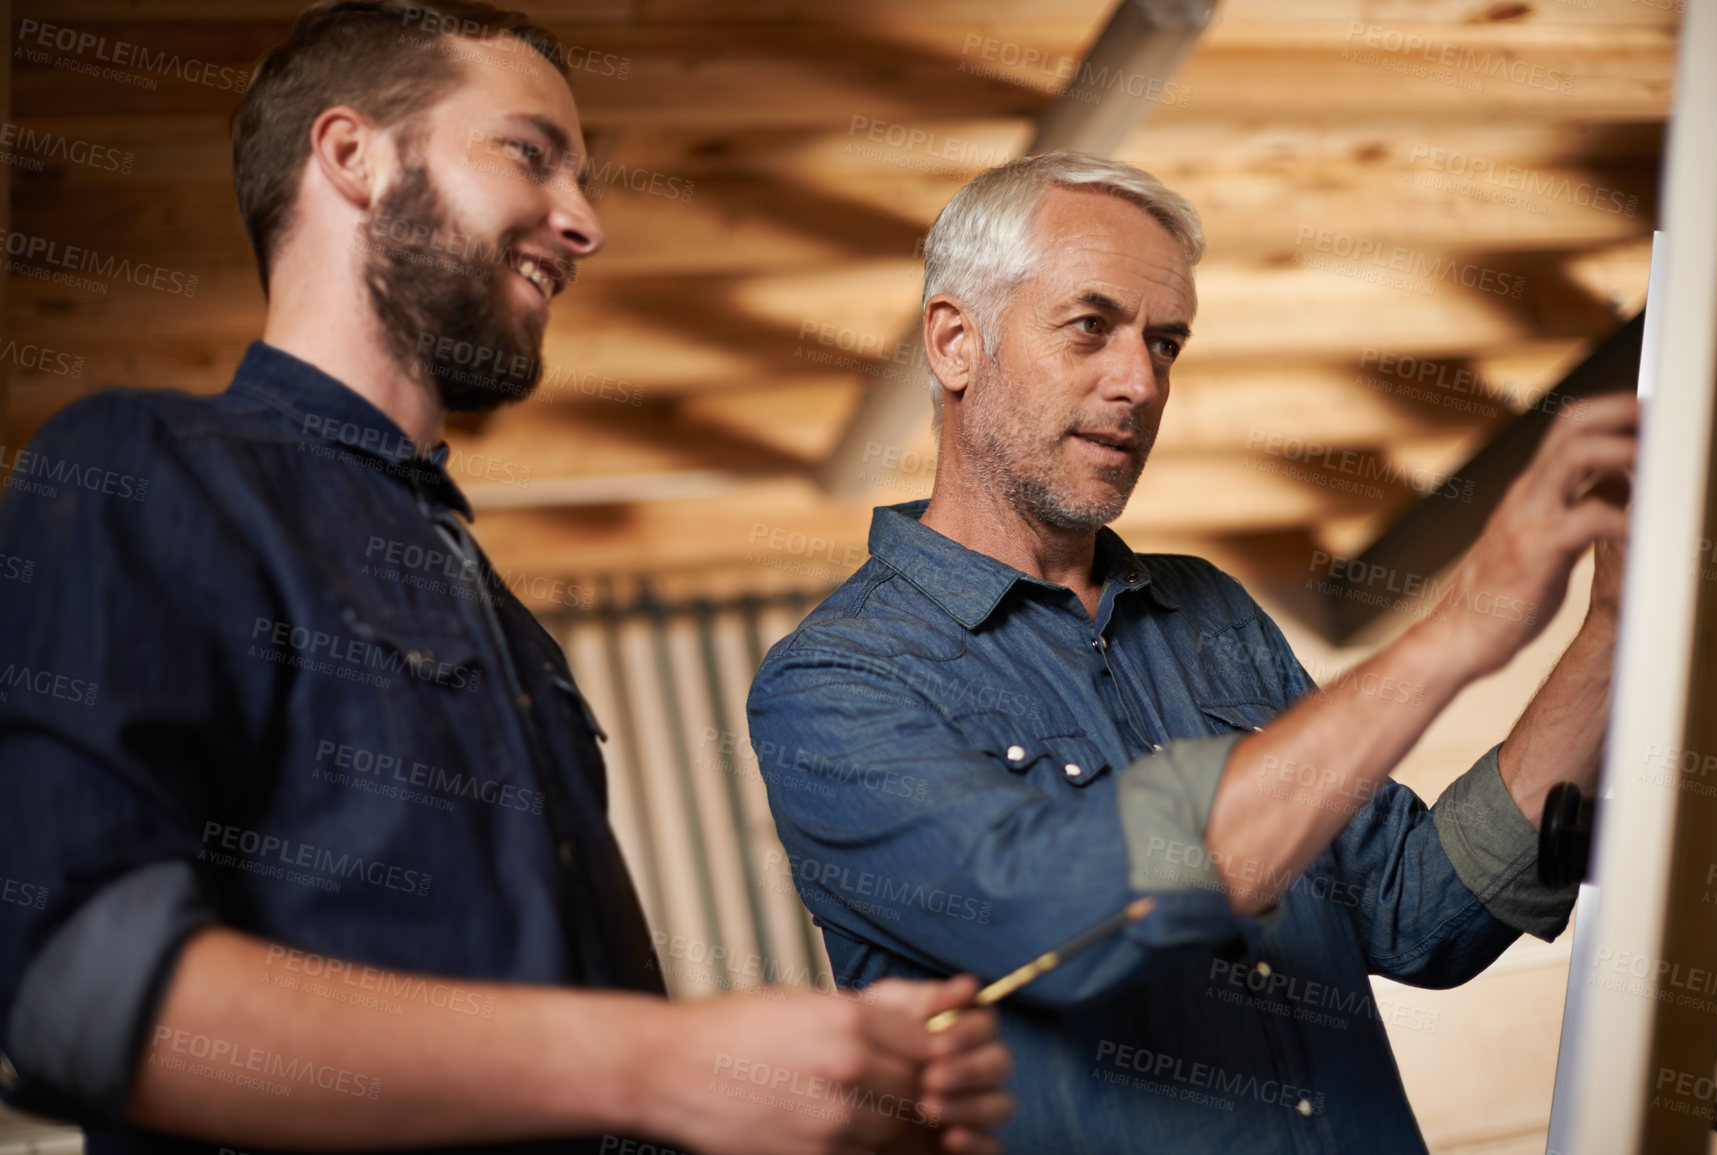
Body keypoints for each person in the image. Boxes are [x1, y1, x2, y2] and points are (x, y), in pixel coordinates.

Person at [0, 4, 1013, 1154]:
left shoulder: (506, 623)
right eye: (530, 154)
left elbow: (586, 1084)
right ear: (353, 158)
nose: (582, 222)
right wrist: (663, 1066)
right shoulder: (141, 465)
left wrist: (802, 1089)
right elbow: (75, 990)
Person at [746, 150, 1636, 1153]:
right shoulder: (834, 686)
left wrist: (1612, 629)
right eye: (1092, 327)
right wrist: (1461, 629)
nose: (1139, 382)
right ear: (955, 343)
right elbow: (1069, 918)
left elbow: (1414, 912)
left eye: (1165, 343)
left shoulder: (1209, 608)